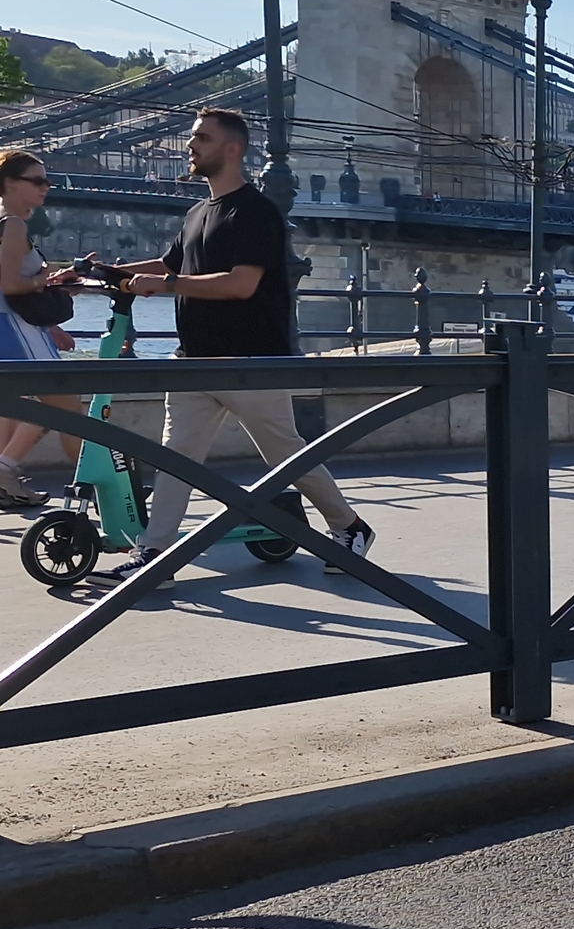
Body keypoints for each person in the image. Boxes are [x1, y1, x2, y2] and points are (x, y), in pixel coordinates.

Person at [91, 108, 374, 587]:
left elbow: (241, 285)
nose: (191, 145)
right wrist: (103, 274)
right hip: (194, 361)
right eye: (192, 136)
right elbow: (168, 265)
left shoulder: (256, 212)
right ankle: (154, 557)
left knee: (284, 455)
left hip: (249, 361)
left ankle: (350, 527)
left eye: (202, 137)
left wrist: (165, 287)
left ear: (233, 149)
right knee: (174, 457)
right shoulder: (198, 211)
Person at [0, 150, 80, 505]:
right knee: (66, 410)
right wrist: (45, 279)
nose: (46, 187)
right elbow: (10, 285)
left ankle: (6, 472)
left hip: (13, 328)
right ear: (10, 184)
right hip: (19, 329)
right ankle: (99, 488)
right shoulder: (13, 225)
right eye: (37, 180)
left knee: (61, 410)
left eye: (47, 180)